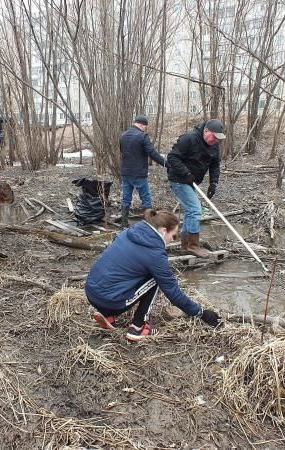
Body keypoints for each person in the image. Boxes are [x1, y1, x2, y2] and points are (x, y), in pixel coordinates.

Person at [85, 209, 220, 342]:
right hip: (109, 299)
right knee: (156, 279)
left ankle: (108, 315)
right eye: (174, 235)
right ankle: (139, 327)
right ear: (163, 231)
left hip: (91, 292)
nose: (173, 240)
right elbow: (173, 293)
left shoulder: (128, 232)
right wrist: (201, 313)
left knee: (131, 274)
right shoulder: (155, 255)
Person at [167, 119, 226, 258]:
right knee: (195, 210)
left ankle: (185, 245)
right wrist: (185, 173)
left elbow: (215, 166)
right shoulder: (189, 138)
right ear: (206, 131)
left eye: (219, 138)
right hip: (178, 179)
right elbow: (172, 158)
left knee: (190, 211)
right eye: (214, 137)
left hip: (192, 181)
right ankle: (192, 246)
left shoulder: (214, 146)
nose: (216, 141)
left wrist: (214, 183)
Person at [119, 115, 167, 227]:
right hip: (139, 173)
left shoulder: (123, 135)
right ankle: (149, 224)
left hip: (125, 172)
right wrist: (165, 163)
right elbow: (152, 153)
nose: (145, 129)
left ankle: (124, 222)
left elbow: (122, 151)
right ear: (142, 124)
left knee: (126, 198)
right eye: (145, 126)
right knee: (146, 199)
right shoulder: (142, 136)